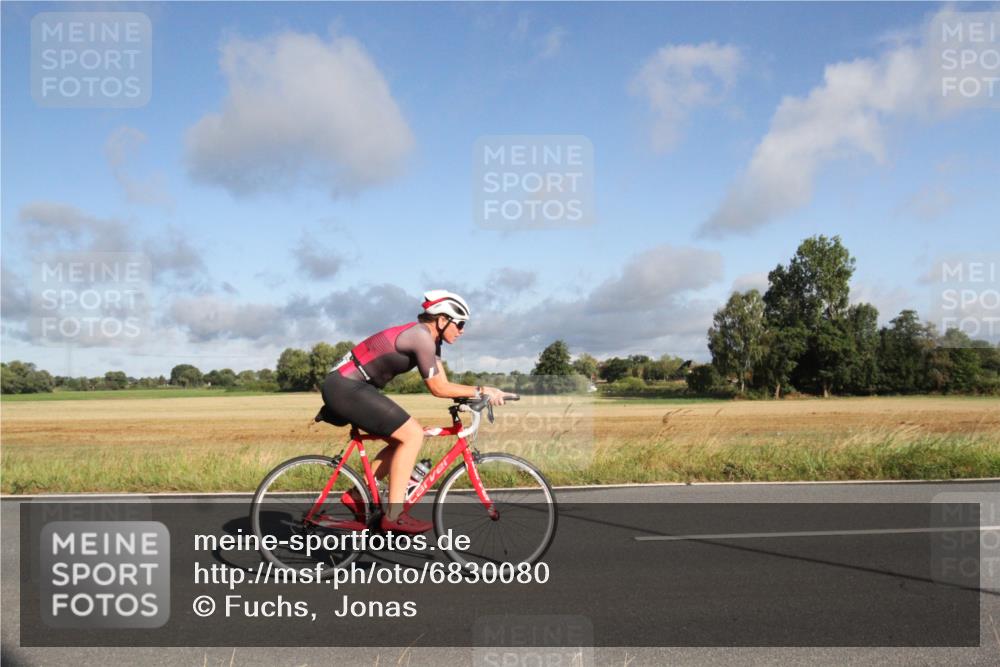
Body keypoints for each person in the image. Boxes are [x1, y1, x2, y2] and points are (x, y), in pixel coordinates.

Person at [320, 290, 506, 534]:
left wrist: (475, 395)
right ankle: (394, 515)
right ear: (442, 320)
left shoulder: (431, 340)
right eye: (459, 324)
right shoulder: (421, 337)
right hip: (346, 387)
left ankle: (358, 495)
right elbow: (438, 388)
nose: (462, 330)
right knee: (412, 435)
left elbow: (445, 383)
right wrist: (483, 389)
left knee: (401, 439)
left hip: (354, 387)